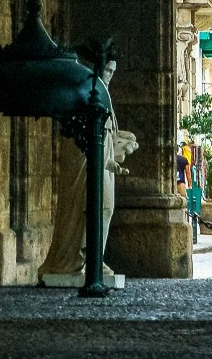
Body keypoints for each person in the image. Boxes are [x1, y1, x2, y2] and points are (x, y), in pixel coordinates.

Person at [39, 57, 138, 282]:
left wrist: (122, 145)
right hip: (89, 168)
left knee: (106, 209)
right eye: (107, 70)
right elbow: (80, 141)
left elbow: (108, 135)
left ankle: (95, 257)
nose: (109, 76)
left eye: (112, 71)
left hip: (103, 165)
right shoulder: (86, 96)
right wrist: (107, 159)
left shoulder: (103, 97)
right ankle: (85, 257)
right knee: (94, 209)